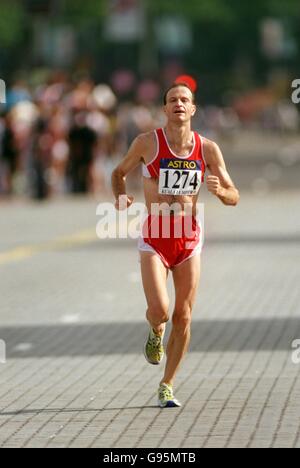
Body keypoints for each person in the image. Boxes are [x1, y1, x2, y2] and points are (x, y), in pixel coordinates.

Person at [112, 83, 240, 408]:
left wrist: (221, 192)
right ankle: (155, 330)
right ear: (165, 109)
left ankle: (167, 384)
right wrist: (120, 196)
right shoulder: (146, 143)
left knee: (183, 316)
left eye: (185, 100)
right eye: (173, 100)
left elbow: (233, 195)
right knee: (161, 310)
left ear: (193, 109)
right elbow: (119, 172)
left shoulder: (207, 149)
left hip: (188, 239)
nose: (179, 104)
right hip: (155, 237)